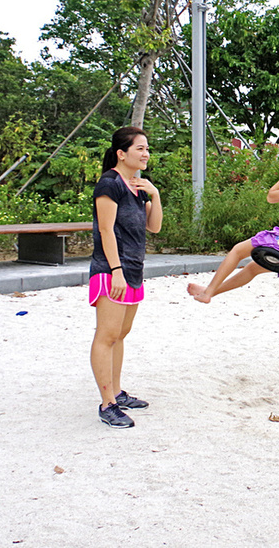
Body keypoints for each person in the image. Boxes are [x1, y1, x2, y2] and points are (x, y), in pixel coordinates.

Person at [89, 126, 164, 428]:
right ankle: (107, 403)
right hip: (112, 271)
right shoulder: (109, 184)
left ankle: (117, 393)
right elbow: (106, 230)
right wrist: (116, 271)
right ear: (122, 153)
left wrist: (154, 194)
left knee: (120, 334)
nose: (146, 154)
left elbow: (154, 227)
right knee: (106, 336)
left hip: (134, 270)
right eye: (140, 148)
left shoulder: (137, 186)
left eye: (147, 149)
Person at [187, 160, 279, 304]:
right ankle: (209, 291)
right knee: (252, 269)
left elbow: (271, 197)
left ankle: (208, 292)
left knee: (237, 251)